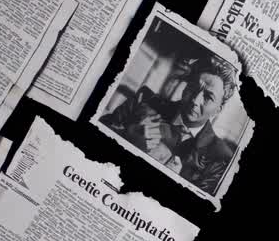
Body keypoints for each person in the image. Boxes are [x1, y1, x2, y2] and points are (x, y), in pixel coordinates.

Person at [99, 55, 240, 195]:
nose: (195, 100)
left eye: (208, 97)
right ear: (186, 87)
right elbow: (96, 132)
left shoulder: (221, 158)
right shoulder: (144, 101)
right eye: (193, 88)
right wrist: (128, 137)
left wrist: (175, 180)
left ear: (218, 109)